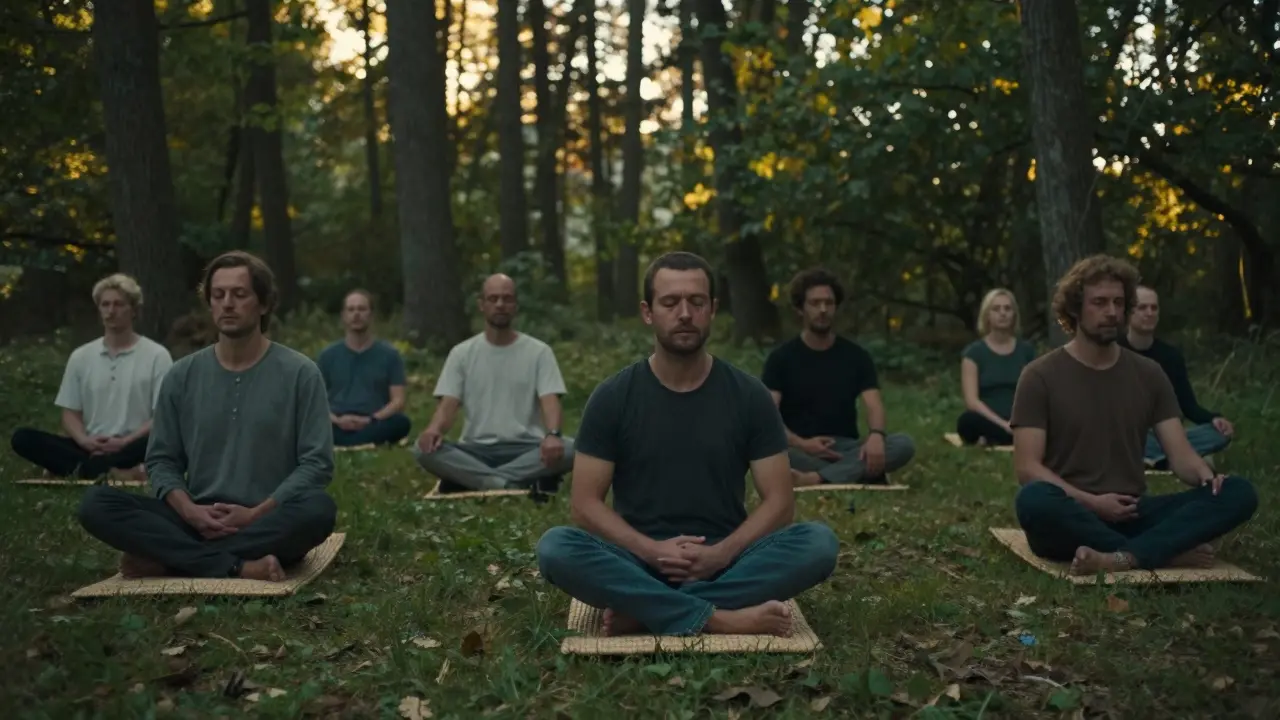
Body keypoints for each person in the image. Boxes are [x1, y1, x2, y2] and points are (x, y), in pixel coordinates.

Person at [536, 252, 839, 638]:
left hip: (728, 559)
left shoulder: (749, 396)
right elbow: (584, 504)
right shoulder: (613, 397)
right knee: (556, 547)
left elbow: (780, 502)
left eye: (696, 302)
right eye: (670, 302)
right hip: (637, 559)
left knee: (818, 543)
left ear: (712, 310)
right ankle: (718, 617)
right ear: (648, 312)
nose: (684, 313)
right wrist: (651, 551)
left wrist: (721, 554)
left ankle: (649, 610)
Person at [77, 251, 337, 581]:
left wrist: (256, 513)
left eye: (239, 294)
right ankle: (237, 566)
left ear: (264, 304)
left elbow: (317, 464)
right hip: (194, 517)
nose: (227, 303)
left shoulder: (301, 373)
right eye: (219, 295)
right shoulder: (182, 375)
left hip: (267, 518)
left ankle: (174, 560)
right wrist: (189, 510)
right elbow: (161, 460)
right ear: (210, 303)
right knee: (97, 503)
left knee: (319, 510)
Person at [1010, 255, 1257, 576]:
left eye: (1118, 302)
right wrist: (1093, 503)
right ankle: (1160, 551)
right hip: (1070, 513)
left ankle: (1123, 556)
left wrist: (1209, 479)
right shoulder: (1039, 376)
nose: (1111, 312)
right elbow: (1028, 468)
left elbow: (1181, 456)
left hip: (1134, 512)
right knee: (1033, 499)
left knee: (1238, 492)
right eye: (1099, 302)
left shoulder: (1149, 374)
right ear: (1075, 308)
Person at [411, 273, 574, 492]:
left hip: (526, 449)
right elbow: (448, 405)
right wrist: (433, 429)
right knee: (422, 449)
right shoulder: (461, 353)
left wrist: (553, 435)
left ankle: (480, 481)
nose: (500, 305)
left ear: (515, 305)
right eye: (493, 298)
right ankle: (508, 483)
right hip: (474, 450)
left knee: (576, 448)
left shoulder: (539, 352)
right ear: (482, 304)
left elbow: (550, 401)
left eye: (507, 299)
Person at [762, 268, 916, 487]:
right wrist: (804, 444)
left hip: (845, 447)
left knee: (903, 444)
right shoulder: (781, 358)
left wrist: (876, 436)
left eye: (829, 303)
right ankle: (860, 473)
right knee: (770, 453)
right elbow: (768, 418)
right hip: (798, 447)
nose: (823, 310)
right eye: (815, 303)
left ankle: (816, 478)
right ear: (800, 309)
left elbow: (874, 406)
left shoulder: (856, 356)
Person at [10, 273, 172, 479]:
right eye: (105, 305)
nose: (111, 311)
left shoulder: (157, 355)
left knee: (165, 440)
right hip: (90, 446)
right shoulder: (81, 356)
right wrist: (84, 441)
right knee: (22, 438)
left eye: (119, 304)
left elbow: (162, 416)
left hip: (133, 446)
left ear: (134, 310)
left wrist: (124, 442)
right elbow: (70, 414)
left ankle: (78, 468)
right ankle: (113, 472)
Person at [1119, 285, 1234, 467]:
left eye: (1154, 308)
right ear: (1128, 312)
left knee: (1218, 433)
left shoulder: (1170, 356)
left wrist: (1213, 419)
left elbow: (1187, 405)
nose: (1149, 313)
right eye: (1142, 307)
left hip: (1165, 435)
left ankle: (1158, 459)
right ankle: (1170, 458)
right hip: (1126, 435)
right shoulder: (1113, 351)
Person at [317, 289, 412, 447]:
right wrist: (337, 420)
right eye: (351, 309)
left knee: (401, 423)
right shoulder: (328, 355)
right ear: (343, 315)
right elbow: (314, 400)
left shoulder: (390, 354)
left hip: (374, 420)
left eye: (361, 309)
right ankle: (363, 442)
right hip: (337, 422)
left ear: (371, 315)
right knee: (308, 423)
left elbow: (398, 401)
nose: (356, 314)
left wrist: (371, 419)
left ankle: (347, 443)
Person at [956, 288, 1037, 446]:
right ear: (987, 315)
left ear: (1014, 315)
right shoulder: (973, 353)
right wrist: (1003, 425)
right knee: (966, 422)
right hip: (990, 420)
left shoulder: (1026, 351)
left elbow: (1035, 394)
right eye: (996, 309)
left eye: (1007, 308)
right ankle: (1004, 436)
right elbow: (972, 401)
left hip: (1021, 419)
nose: (1003, 313)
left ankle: (996, 439)